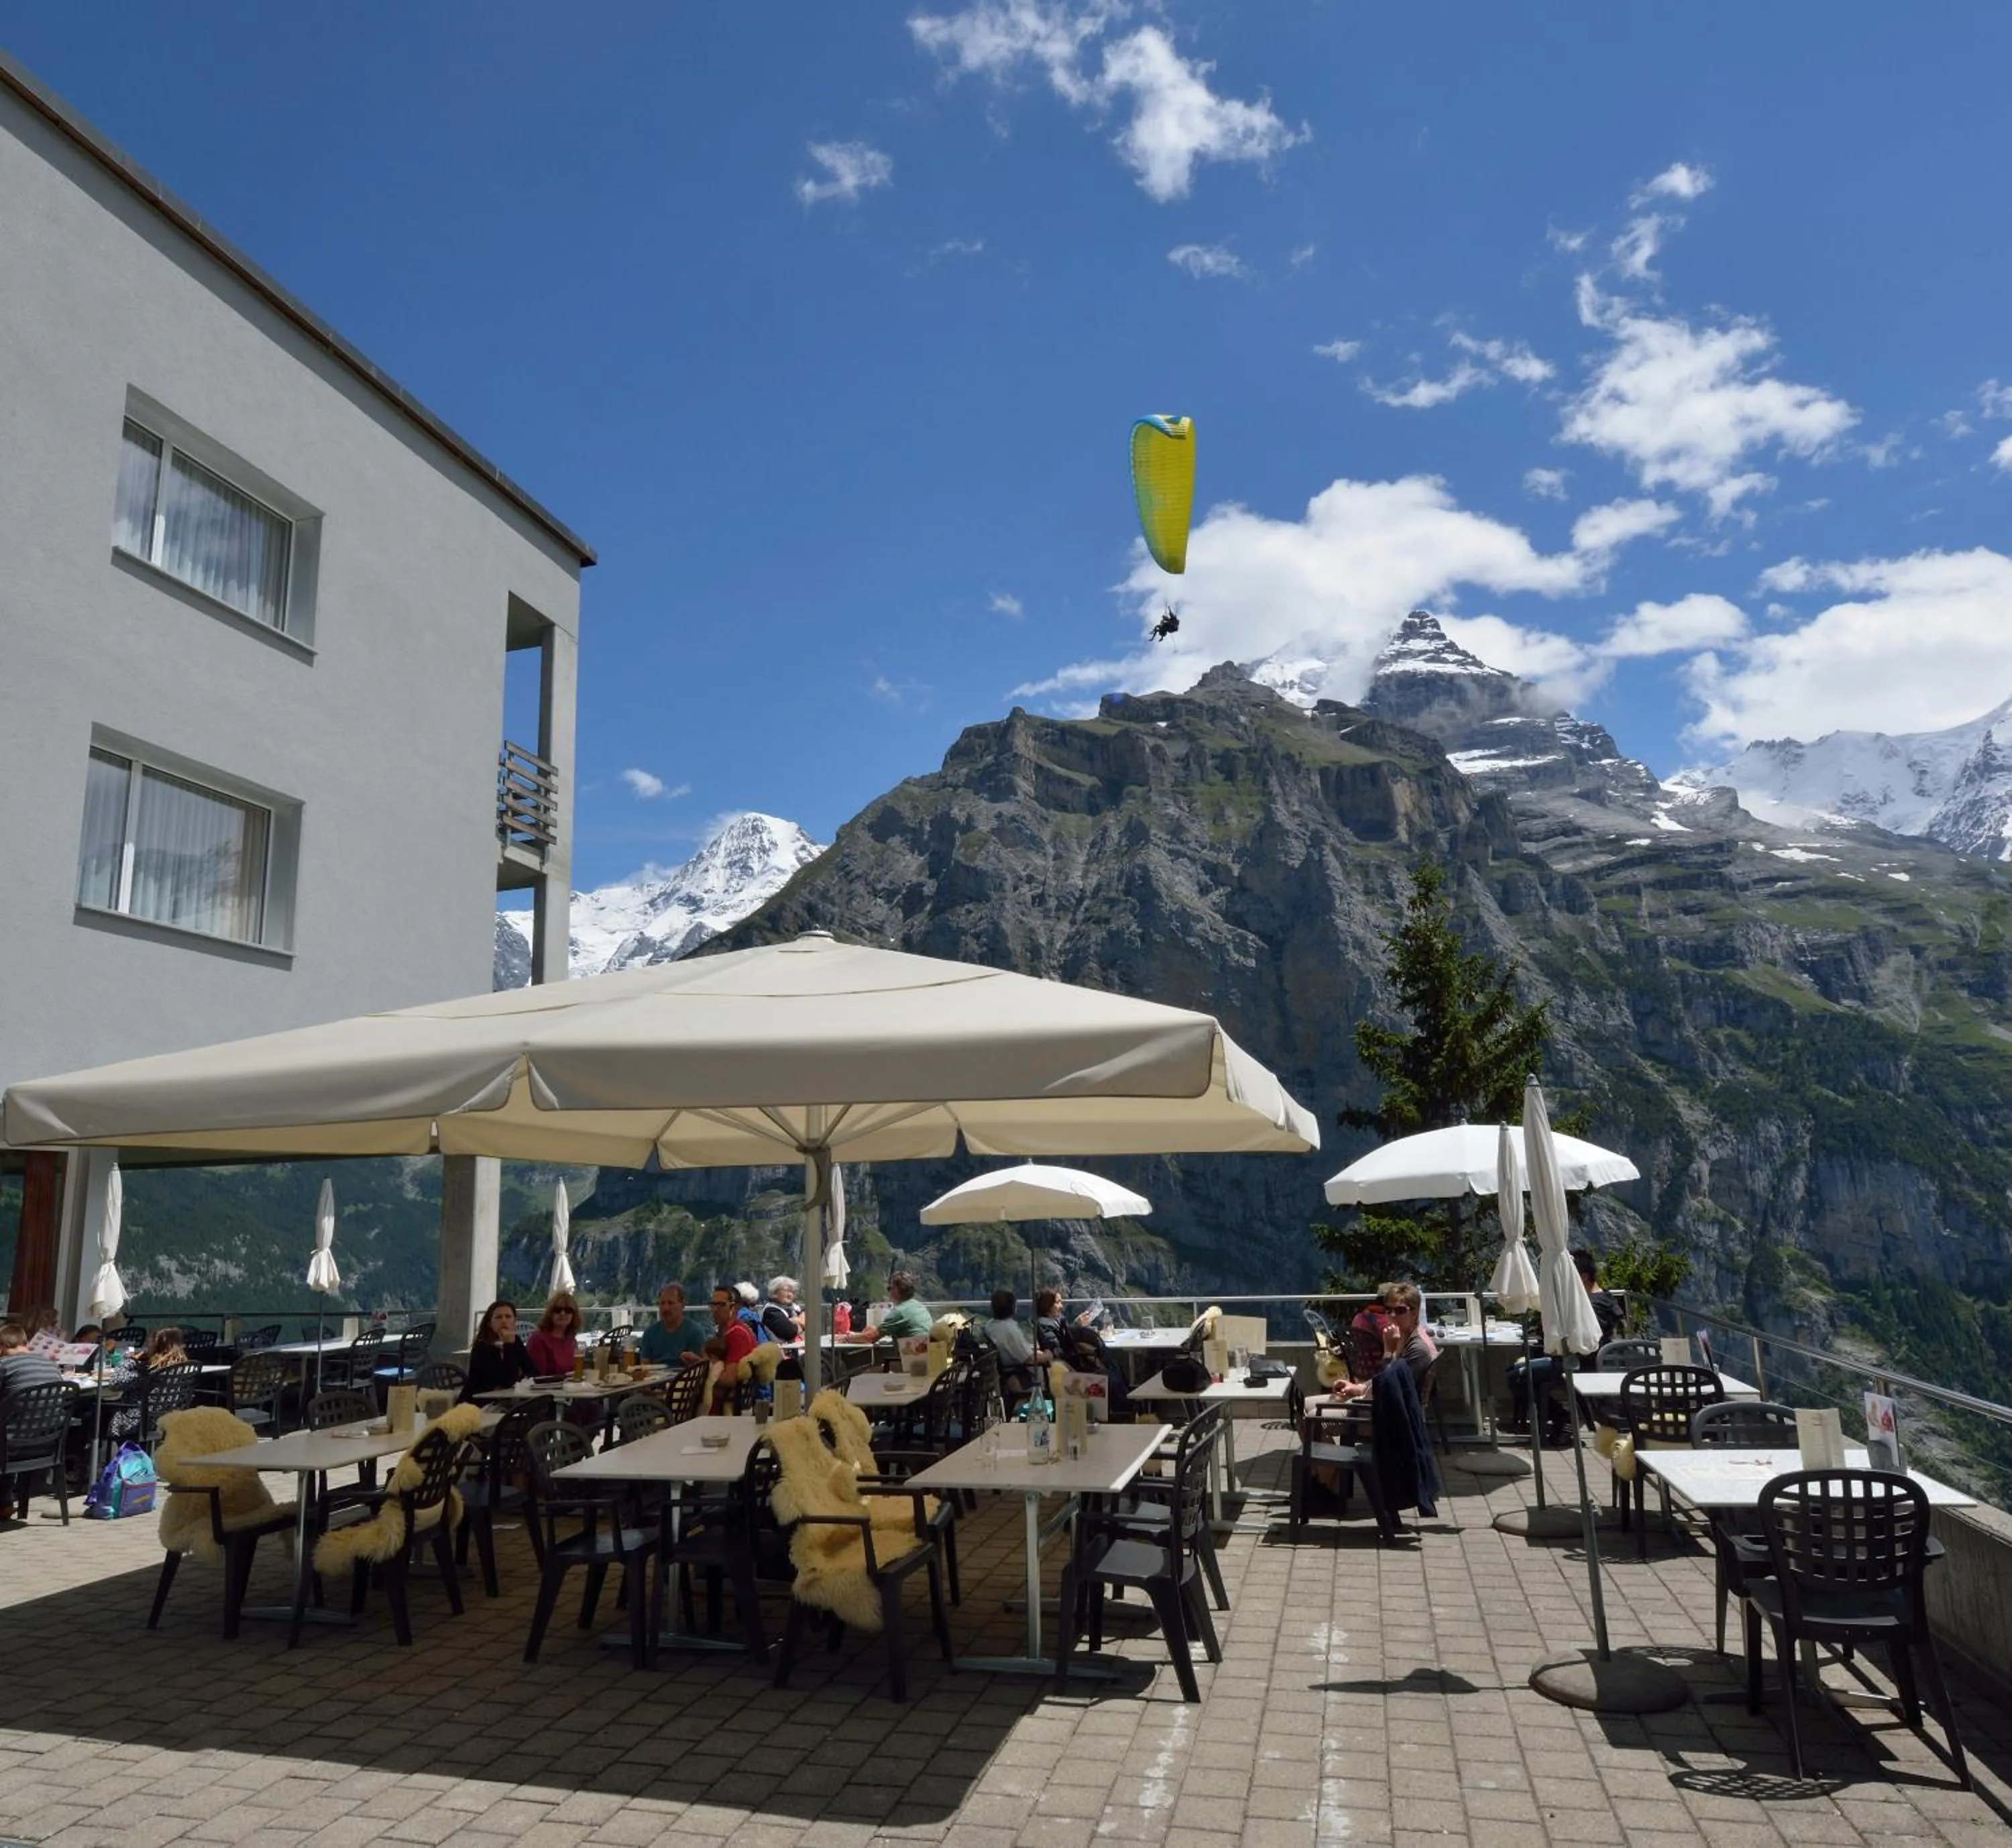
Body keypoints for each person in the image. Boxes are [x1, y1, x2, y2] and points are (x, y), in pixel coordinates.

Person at [1508, 1250, 1622, 1438]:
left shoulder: (1590, 1306)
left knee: (1516, 1376)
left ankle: (1562, 1417)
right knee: (1517, 1373)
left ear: (1584, 1277)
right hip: (1580, 1360)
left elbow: (1580, 1339)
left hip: (1576, 1364)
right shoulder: (1603, 1298)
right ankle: (1560, 1416)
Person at [1333, 1283, 1436, 1403]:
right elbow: (1386, 1380)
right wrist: (1359, 1388)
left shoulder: (1418, 1349)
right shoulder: (1404, 1336)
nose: (1392, 1315)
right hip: (1378, 1402)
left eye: (1400, 1310)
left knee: (1315, 1412)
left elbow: (1389, 1388)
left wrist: (1388, 1352)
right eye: (1388, 1310)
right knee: (1312, 1404)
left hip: (1387, 1414)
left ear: (1415, 1313)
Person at [0, 1323, 61, 1518]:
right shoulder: (51, 1364)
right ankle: (4, 1503)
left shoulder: (4, 1366)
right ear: (25, 1343)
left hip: (11, 1446)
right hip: (47, 1444)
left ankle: (5, 1502)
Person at [460, 1300, 535, 1401]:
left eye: (508, 1317)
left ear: (514, 1321)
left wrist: (524, 1382)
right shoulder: (482, 1346)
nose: (504, 1321)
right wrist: (509, 1345)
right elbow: (507, 1381)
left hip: (506, 1400)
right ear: (490, 1323)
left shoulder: (516, 1340)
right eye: (498, 1317)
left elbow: (532, 1371)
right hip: (479, 1401)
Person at [706, 1283, 759, 1412]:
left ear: (735, 1307)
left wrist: (702, 1371)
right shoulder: (726, 1331)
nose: (715, 1310)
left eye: (721, 1305)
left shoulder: (737, 1335)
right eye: (713, 1305)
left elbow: (730, 1379)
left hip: (724, 1404)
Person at [842, 1271, 932, 1344]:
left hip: (911, 1360)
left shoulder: (899, 1312)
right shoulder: (920, 1307)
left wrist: (848, 1338)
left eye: (890, 1288)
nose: (889, 1292)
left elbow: (871, 1338)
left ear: (897, 1290)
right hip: (927, 1355)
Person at [983, 1287, 1037, 1403]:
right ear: (1013, 1308)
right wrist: (1048, 1355)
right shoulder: (1010, 1331)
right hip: (1019, 1374)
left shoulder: (990, 1325)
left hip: (1004, 1372)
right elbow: (1029, 1359)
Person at [638, 1284, 710, 1369]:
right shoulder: (650, 1333)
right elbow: (644, 1366)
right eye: (662, 1303)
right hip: (655, 1379)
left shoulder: (695, 1332)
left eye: (671, 1303)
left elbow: (700, 1367)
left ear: (683, 1305)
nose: (666, 1308)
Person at [526, 1292, 582, 1377]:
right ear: (550, 1314)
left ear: (574, 1315)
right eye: (558, 1310)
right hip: (545, 1388)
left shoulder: (572, 1341)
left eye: (568, 1311)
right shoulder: (538, 1340)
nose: (562, 1313)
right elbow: (536, 1377)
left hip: (568, 1387)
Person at [761, 1275, 805, 1344]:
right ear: (775, 1292)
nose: (790, 1295)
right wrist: (803, 1325)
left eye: (792, 1291)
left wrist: (797, 1321)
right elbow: (789, 1332)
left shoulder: (793, 1307)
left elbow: (812, 1322)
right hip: (786, 1351)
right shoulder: (771, 1311)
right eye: (786, 1291)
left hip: (801, 1348)